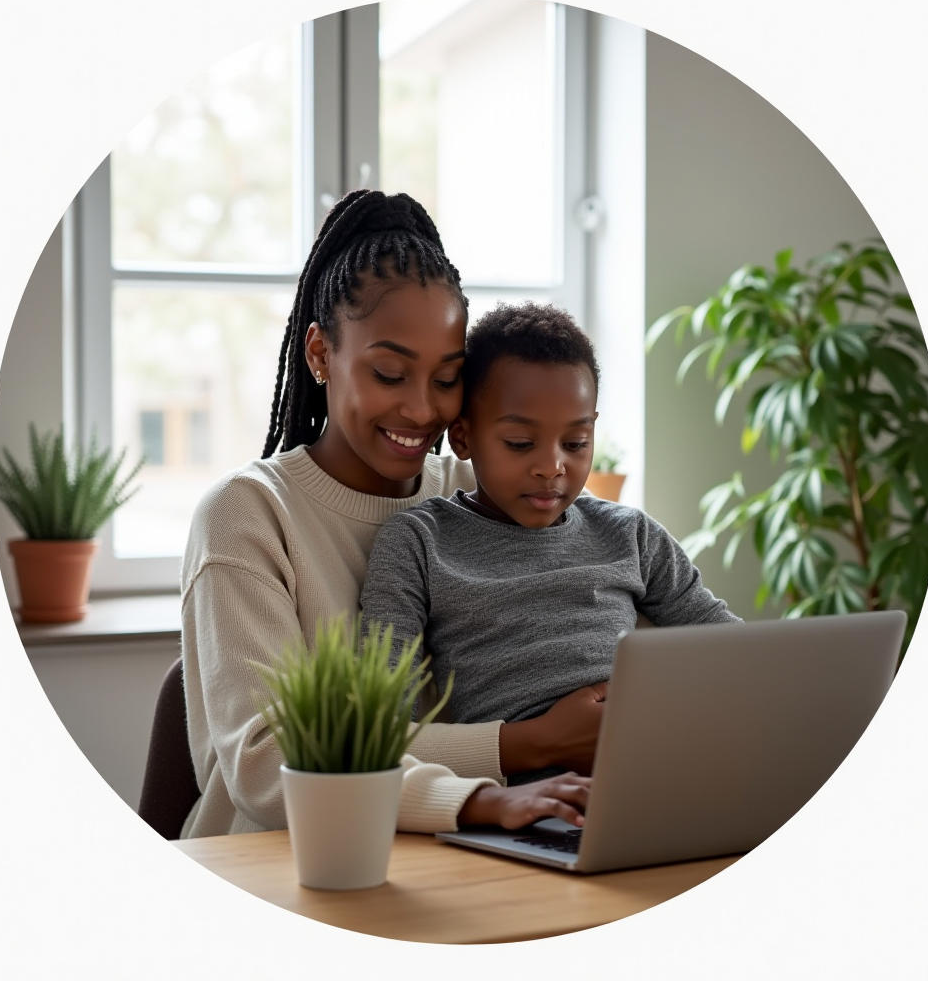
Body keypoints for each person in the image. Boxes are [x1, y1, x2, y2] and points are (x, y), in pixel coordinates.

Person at [180, 192, 603, 839]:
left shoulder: (480, 489)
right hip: (280, 865)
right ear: (320, 354)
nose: (421, 410)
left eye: (446, 378)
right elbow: (271, 766)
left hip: (458, 851)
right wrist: (519, 753)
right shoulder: (248, 516)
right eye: (389, 372)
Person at [359, 302, 741, 783]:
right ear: (463, 437)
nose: (552, 466)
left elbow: (734, 651)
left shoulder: (630, 534)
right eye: (520, 444)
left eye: (576, 443)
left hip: (669, 766)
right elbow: (385, 729)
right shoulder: (418, 543)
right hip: (532, 793)